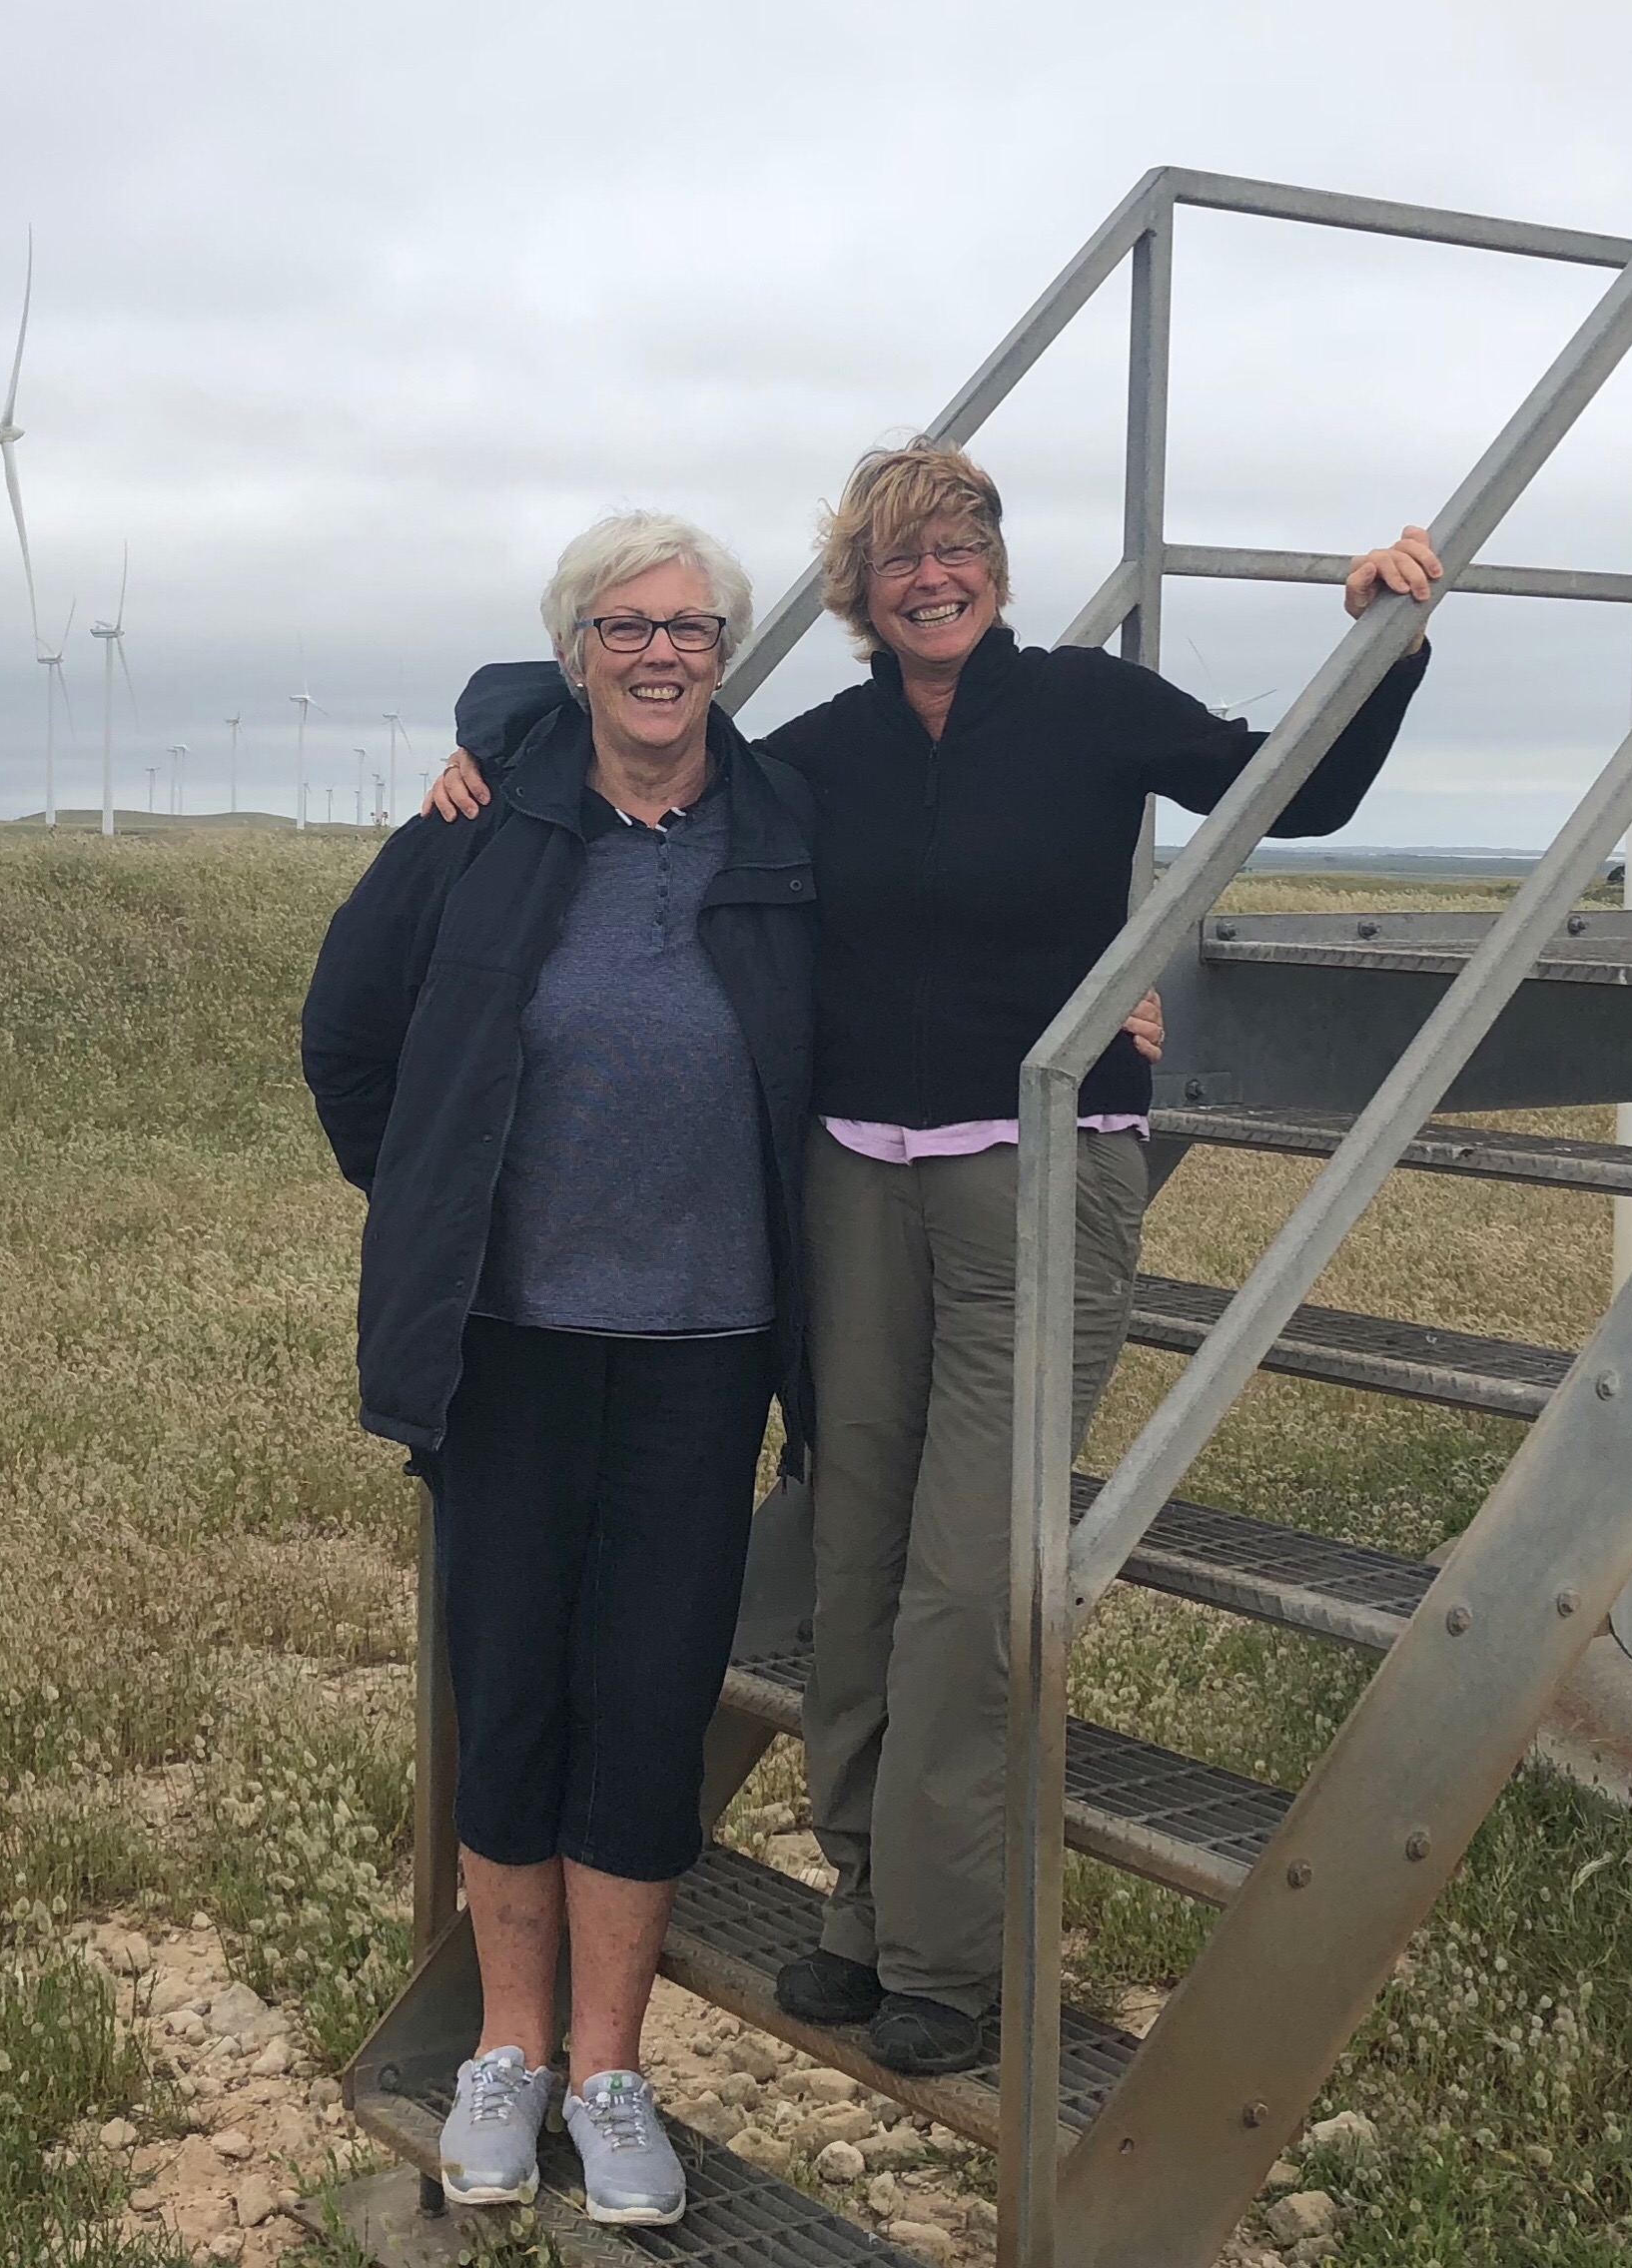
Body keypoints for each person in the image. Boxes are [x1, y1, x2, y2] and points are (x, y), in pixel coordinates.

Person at [429, 439, 1439, 2076]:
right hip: (851, 1188)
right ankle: (859, 1909)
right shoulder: (815, 756)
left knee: (968, 1586)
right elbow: (642, 716)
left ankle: (946, 1960)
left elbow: (1294, 790)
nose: (933, 575)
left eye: (959, 541)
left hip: (1040, 1181)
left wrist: (1385, 639)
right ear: (858, 589)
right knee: (853, 1559)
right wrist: (485, 745)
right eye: (898, 555)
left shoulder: (1090, 710)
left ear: (996, 561)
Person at [301, 511, 819, 2226]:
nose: (662, 654)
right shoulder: (481, 827)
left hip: (706, 1348)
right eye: (627, 626)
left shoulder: (781, 827)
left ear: (725, 654)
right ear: (575, 652)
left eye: (692, 628)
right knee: (513, 1685)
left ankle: (610, 2073)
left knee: (651, 1702)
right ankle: (508, 2051)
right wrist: (433, 1192)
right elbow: (348, 1032)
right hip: (509, 1344)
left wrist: (1114, 1026)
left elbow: (918, 978)